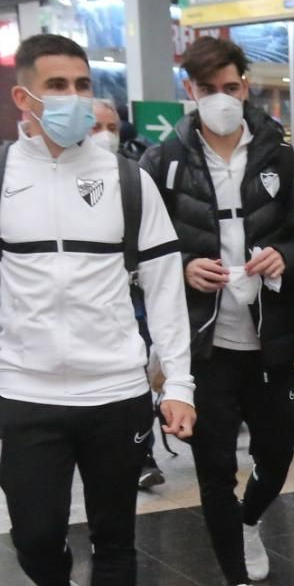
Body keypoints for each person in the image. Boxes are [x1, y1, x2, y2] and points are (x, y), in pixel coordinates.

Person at [0, 34, 195, 586]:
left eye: (83, 84)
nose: (76, 98)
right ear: (24, 96)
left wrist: (179, 385)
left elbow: (166, 285)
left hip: (115, 388)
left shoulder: (126, 178)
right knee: (33, 534)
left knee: (116, 536)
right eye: (59, 84)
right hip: (27, 390)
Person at [140, 36, 294, 586]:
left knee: (276, 456)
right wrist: (183, 267)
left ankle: (252, 522)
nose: (220, 99)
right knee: (214, 469)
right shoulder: (162, 161)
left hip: (272, 343)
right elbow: (141, 251)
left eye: (230, 86)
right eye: (206, 88)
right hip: (205, 349)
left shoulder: (279, 151)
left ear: (245, 86)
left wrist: (286, 256)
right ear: (188, 92)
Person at [89, 100, 166, 490]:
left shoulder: (135, 177)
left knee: (136, 373)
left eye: (111, 127)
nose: (105, 135)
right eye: (94, 126)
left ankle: (142, 453)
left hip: (131, 295)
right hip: (81, 308)